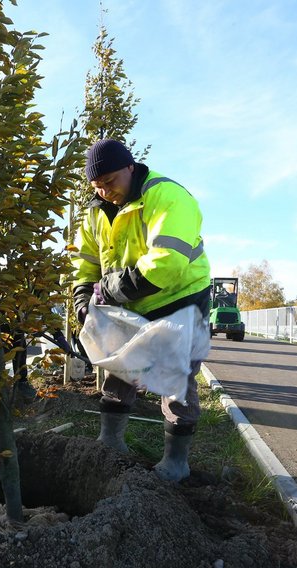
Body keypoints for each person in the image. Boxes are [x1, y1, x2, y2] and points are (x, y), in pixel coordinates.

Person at [71, 139, 211, 481]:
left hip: (180, 300)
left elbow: (166, 266)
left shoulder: (167, 197)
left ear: (130, 168)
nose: (105, 192)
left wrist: (108, 289)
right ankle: (110, 441)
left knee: (177, 378)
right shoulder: (95, 210)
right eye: (97, 186)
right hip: (129, 302)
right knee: (120, 370)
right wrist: (80, 296)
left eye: (111, 182)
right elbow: (84, 260)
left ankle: (176, 463)